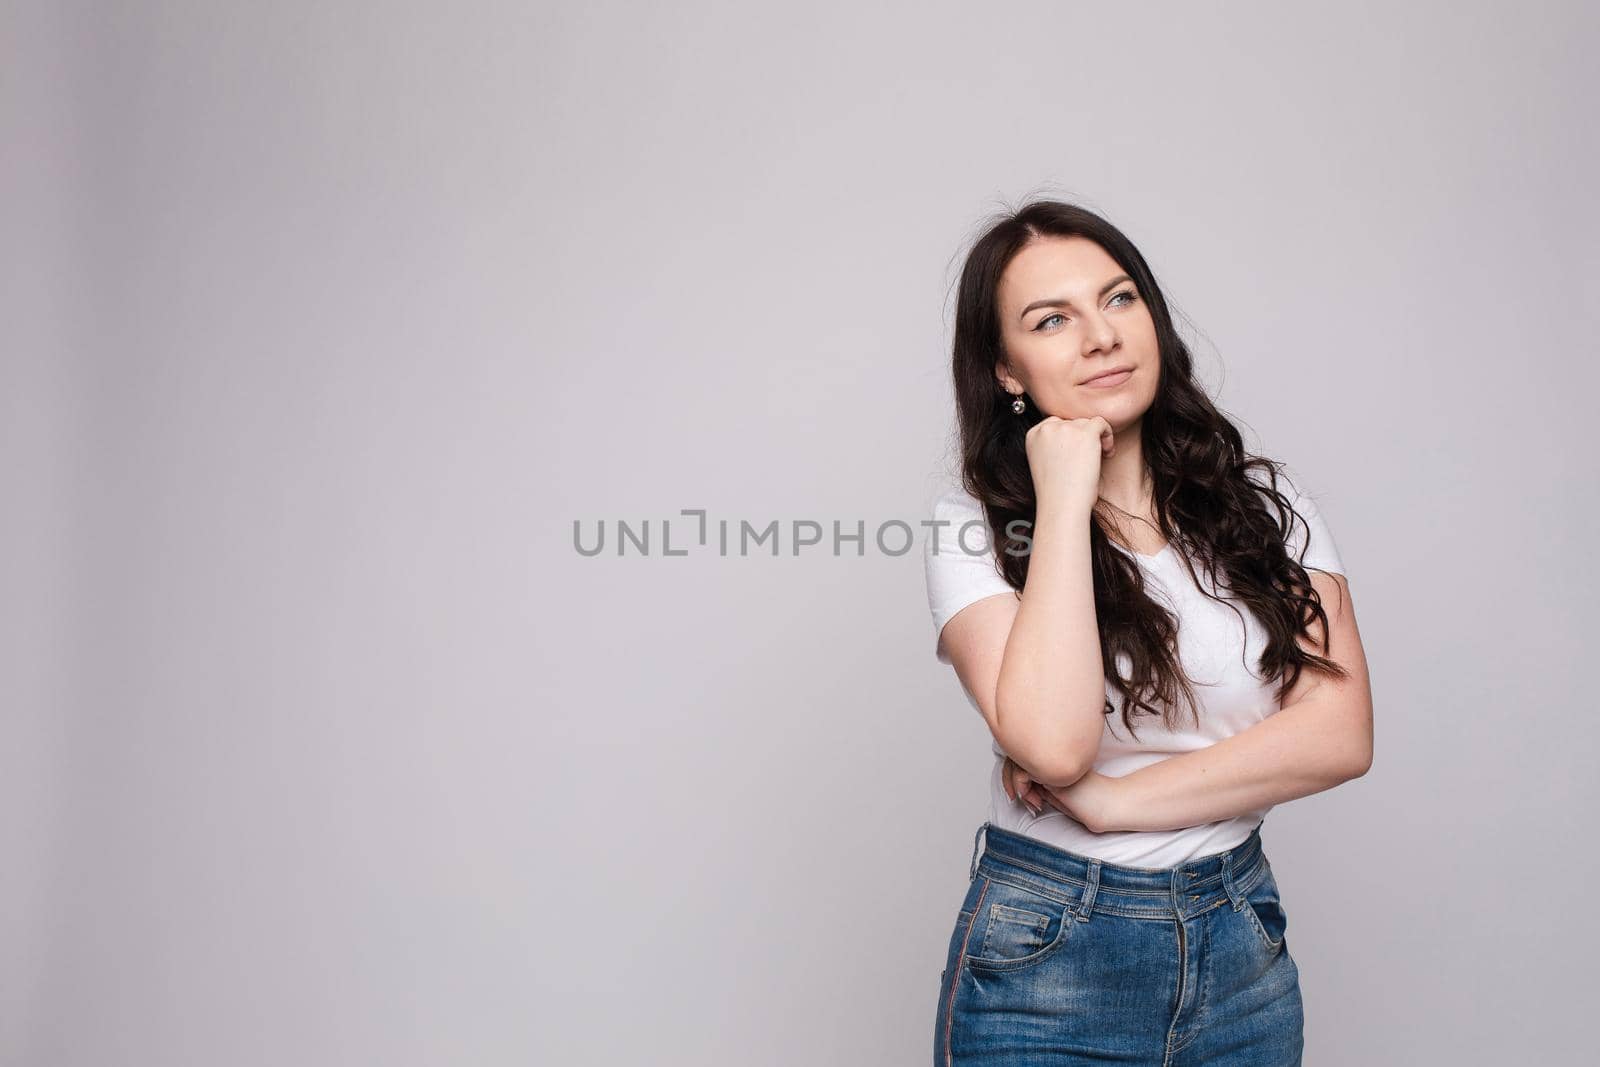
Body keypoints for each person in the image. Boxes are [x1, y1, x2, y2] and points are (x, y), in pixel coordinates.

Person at [922, 200, 1373, 1066]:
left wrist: (1117, 802)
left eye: (1119, 298)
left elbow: (1340, 733)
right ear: (1007, 371)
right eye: (1052, 320)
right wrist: (1062, 496)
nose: (1100, 336)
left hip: (1242, 947)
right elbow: (1055, 745)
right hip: (1048, 963)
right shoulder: (973, 530)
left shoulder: (1263, 506)